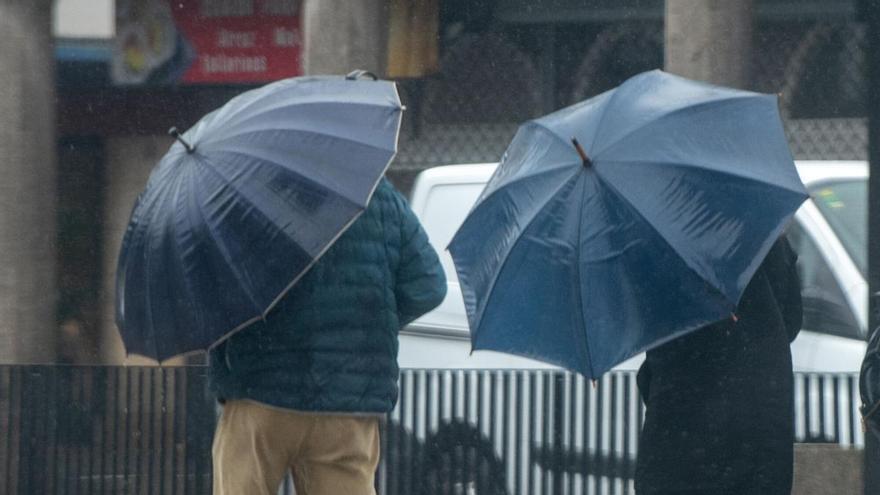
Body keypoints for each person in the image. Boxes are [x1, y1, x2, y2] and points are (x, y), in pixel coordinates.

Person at [208, 177, 447, 495]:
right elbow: (428, 286)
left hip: (260, 390)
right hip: (348, 400)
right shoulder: (379, 196)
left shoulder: (247, 193)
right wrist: (367, 327)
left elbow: (213, 290)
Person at [635, 234, 803, 494]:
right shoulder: (758, 228)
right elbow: (790, 322)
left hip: (681, 442)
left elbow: (655, 350)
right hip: (760, 436)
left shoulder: (659, 242)